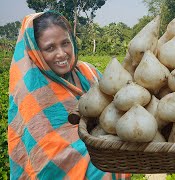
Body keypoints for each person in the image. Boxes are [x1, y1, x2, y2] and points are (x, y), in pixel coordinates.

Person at [8, 11, 131, 180]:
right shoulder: (30, 90)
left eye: (65, 43)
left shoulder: (88, 72)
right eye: (50, 47)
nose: (61, 54)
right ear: (35, 52)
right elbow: (45, 155)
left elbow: (117, 106)